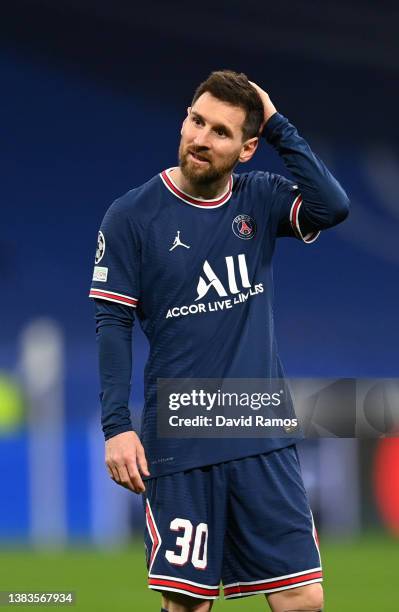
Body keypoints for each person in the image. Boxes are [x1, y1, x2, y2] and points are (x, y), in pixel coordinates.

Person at [89, 70, 349, 612]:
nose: (201, 138)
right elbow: (112, 324)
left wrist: (279, 125)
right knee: (187, 606)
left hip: (258, 427)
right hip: (181, 435)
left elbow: (332, 206)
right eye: (196, 120)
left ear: (249, 148)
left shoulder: (261, 197)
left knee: (304, 600)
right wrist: (116, 427)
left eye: (222, 132)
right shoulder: (131, 216)